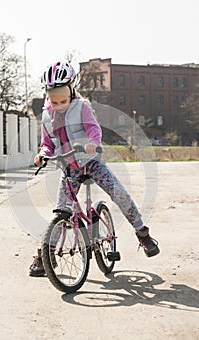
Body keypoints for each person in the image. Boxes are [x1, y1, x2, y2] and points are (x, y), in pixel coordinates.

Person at [29, 61, 160, 277]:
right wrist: (42, 153)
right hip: (70, 168)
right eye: (53, 97)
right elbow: (48, 143)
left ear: (71, 89)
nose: (58, 102)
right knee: (62, 210)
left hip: (92, 163)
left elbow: (94, 129)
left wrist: (93, 142)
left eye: (62, 96)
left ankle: (143, 234)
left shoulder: (82, 108)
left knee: (118, 193)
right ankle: (47, 255)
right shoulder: (46, 114)